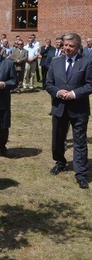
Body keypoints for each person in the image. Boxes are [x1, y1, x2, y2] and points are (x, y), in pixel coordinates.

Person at [45, 33, 92, 189]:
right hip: (59, 107)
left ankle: (81, 173)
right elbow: (48, 84)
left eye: (71, 46)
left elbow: (90, 85)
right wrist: (58, 93)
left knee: (79, 142)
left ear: (78, 47)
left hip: (79, 109)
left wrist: (73, 94)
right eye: (65, 45)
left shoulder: (87, 62)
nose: (67, 48)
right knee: (57, 140)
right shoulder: (55, 62)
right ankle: (60, 161)